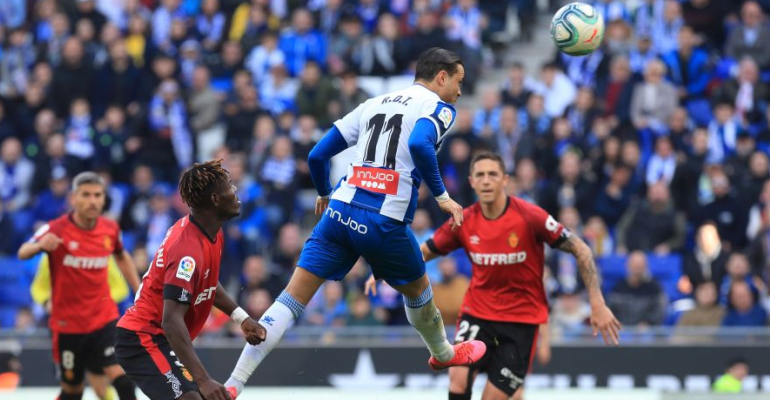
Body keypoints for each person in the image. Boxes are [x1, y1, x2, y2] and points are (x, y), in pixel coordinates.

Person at [224, 47, 486, 397]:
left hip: (339, 212)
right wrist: (442, 196)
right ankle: (442, 354)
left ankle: (233, 384)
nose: (459, 90)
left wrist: (324, 192)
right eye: (458, 81)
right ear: (442, 77)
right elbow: (421, 145)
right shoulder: (439, 107)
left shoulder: (373, 103)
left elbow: (317, 154)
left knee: (289, 301)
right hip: (383, 221)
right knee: (420, 292)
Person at [366, 152, 621, 400]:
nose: (486, 180)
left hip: (522, 322)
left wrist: (597, 302)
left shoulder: (530, 217)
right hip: (478, 314)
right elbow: (425, 251)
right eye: (480, 175)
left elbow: (581, 249)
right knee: (457, 376)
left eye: (492, 174)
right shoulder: (464, 220)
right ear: (472, 182)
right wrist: (387, 267)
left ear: (505, 180)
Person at [114, 160, 266, 400]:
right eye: (230, 187)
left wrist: (241, 317)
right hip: (143, 339)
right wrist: (203, 380)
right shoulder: (187, 250)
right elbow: (171, 320)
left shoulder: (211, 230)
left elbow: (207, 283)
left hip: (164, 340)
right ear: (215, 200)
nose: (235, 191)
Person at [17, 172, 141, 400]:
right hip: (68, 324)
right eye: (86, 195)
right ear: (74, 199)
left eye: (97, 195)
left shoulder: (110, 229)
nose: (93, 201)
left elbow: (122, 256)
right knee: (73, 392)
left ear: (104, 199)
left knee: (123, 382)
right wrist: (40, 247)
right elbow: (23, 251)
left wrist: (139, 290)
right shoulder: (56, 228)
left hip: (103, 319)